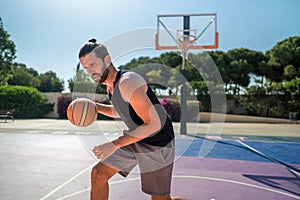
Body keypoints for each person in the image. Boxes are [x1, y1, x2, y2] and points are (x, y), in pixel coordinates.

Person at [79, 38, 175, 200]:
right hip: (138, 136)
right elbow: (121, 111)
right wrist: (95, 108)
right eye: (86, 68)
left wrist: (114, 144)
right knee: (98, 174)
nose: (90, 72)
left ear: (107, 60)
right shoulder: (111, 87)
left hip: (158, 142)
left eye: (93, 65)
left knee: (159, 197)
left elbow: (154, 124)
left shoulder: (127, 82)